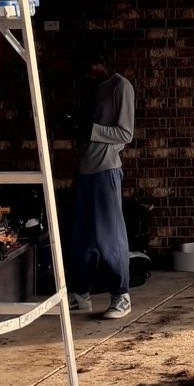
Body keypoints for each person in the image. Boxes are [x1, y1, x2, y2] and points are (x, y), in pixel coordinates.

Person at [69, 57, 136, 321]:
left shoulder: (120, 86)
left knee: (110, 237)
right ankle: (81, 295)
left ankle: (122, 296)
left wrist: (91, 130)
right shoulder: (91, 88)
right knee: (81, 239)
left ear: (101, 62)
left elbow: (125, 134)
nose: (87, 73)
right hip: (84, 169)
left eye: (90, 67)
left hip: (106, 169)